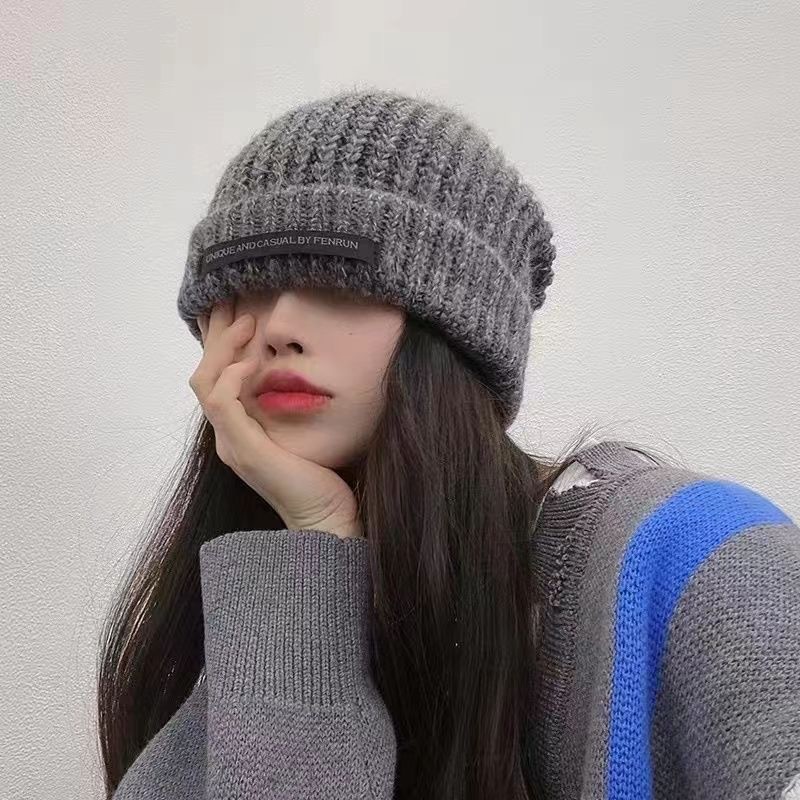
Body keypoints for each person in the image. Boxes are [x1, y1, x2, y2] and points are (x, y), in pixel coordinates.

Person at [97, 87, 800, 800]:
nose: (279, 327)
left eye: (342, 282)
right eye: (248, 288)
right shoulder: (258, 601)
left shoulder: (705, 557)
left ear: (456, 330)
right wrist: (314, 547)